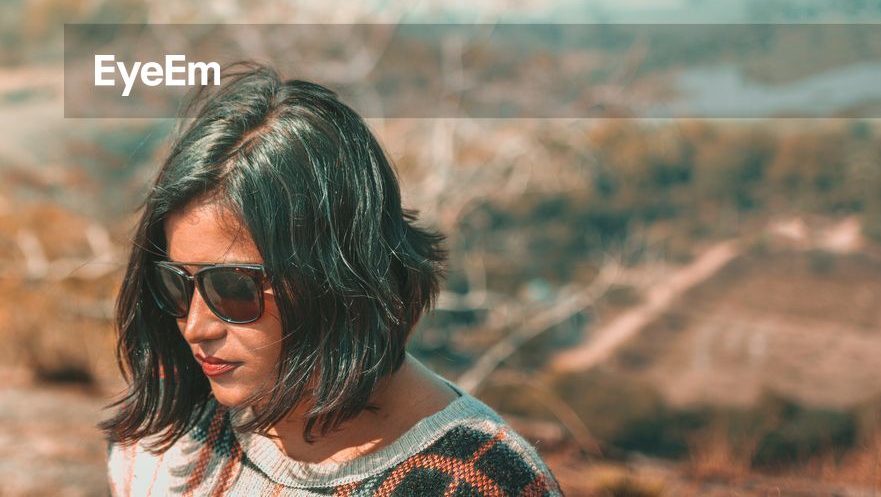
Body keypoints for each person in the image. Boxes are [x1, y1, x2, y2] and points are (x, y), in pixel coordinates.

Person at [102, 63, 564, 496]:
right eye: (175, 283)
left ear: (333, 278)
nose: (195, 326)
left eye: (233, 288)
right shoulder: (164, 427)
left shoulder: (483, 480)